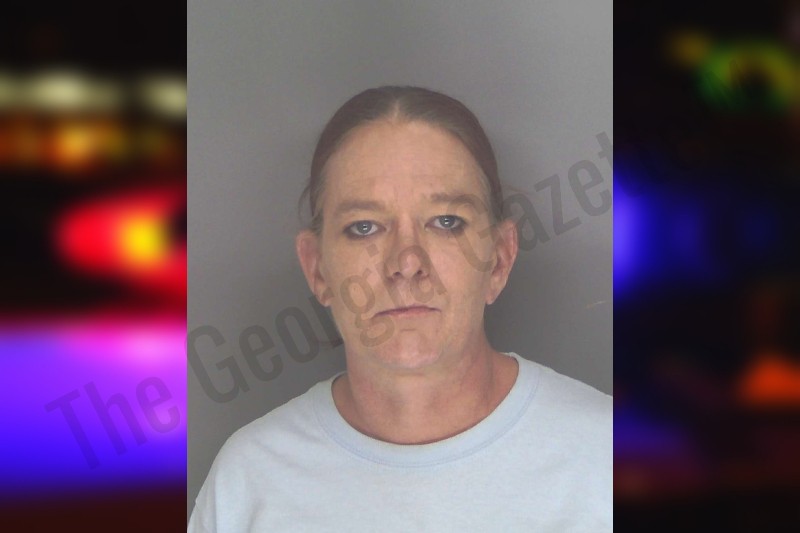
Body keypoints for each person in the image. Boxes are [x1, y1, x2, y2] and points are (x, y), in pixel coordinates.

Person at [189, 86, 612, 532]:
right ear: (317, 269)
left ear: (500, 259)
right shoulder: (250, 482)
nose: (407, 263)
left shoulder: (607, 458)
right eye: (364, 227)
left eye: (447, 222)